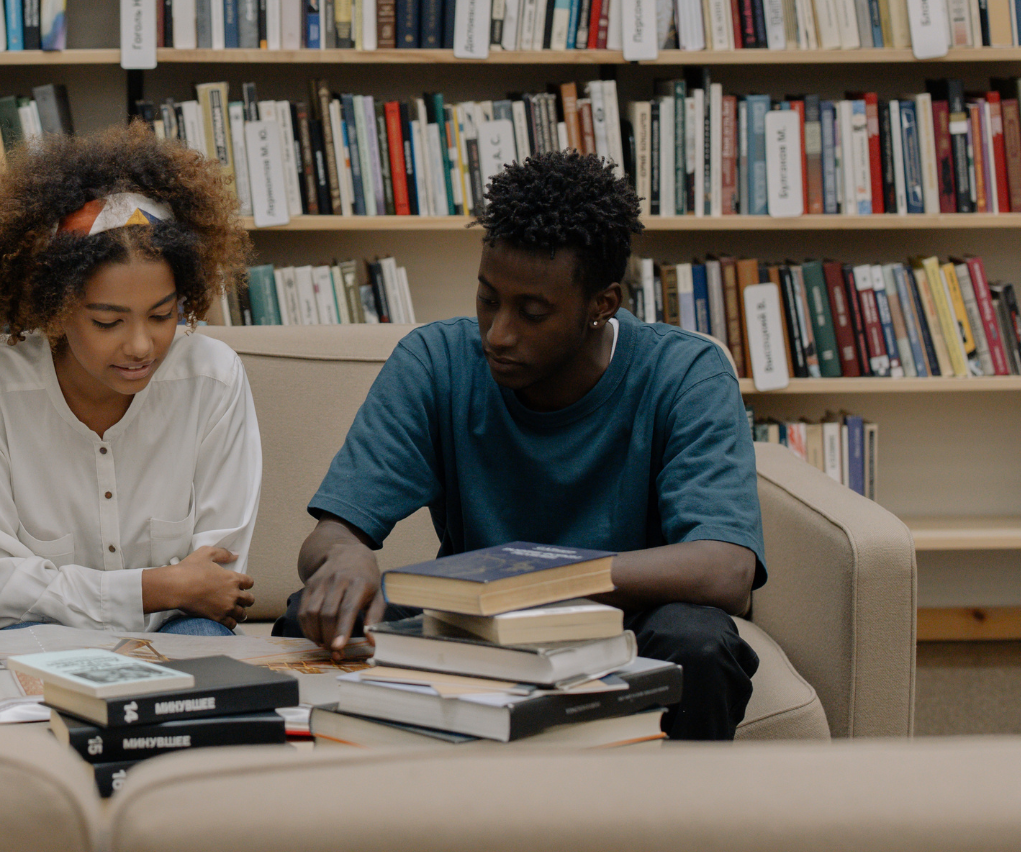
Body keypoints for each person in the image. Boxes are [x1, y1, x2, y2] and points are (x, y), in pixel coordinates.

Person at [277, 151, 764, 740]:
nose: (498, 334)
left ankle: (676, 831)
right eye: (487, 299)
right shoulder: (435, 362)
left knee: (700, 642)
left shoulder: (686, 372)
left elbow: (726, 570)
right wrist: (345, 553)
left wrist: (535, 578)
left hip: (628, 621)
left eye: (532, 312)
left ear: (601, 305)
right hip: (478, 621)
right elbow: (329, 536)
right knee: (310, 612)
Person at [0, 123, 260, 636]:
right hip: (39, 634)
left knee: (204, 645)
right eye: (108, 322)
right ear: (55, 309)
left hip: (179, 627)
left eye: (162, 315)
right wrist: (158, 587)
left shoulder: (213, 378)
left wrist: (170, 592)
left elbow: (215, 585)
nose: (140, 346)